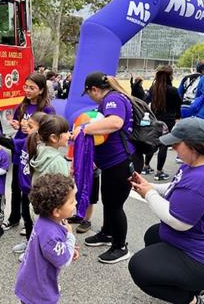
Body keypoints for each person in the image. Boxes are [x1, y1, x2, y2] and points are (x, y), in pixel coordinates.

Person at [129, 117, 204, 304]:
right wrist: (149, 185)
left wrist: (149, 194)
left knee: (138, 267)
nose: (173, 148)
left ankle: (191, 299)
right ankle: (190, 284)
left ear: (194, 145)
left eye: (177, 144)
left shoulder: (200, 180)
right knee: (153, 235)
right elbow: (176, 186)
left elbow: (179, 222)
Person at [76, 72, 143, 264]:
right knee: (108, 199)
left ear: (94, 89)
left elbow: (115, 122)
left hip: (121, 161)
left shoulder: (113, 98)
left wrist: (84, 129)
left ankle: (120, 246)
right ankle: (107, 233)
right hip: (112, 162)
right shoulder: (112, 98)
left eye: (88, 93)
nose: (89, 96)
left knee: (115, 205)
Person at [14, 174, 79, 304]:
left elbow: (52, 250)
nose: (75, 203)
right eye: (72, 201)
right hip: (39, 293)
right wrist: (70, 238)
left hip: (29, 282)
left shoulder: (44, 220)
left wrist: (66, 246)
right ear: (56, 211)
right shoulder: (51, 234)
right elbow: (64, 261)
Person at [3, 73, 55, 232]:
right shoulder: (23, 105)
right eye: (26, 86)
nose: (27, 90)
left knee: (29, 189)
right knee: (15, 187)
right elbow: (19, 123)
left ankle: (29, 222)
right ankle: (13, 218)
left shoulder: (47, 109)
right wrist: (16, 124)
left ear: (41, 90)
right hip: (19, 152)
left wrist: (32, 131)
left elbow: (49, 132)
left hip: (34, 154)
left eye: (32, 88)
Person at [0, 112, 50, 256]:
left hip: (35, 192)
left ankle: (37, 250)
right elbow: (13, 143)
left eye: (30, 125)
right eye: (26, 123)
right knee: (26, 217)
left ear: (42, 130)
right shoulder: (28, 141)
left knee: (37, 221)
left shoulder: (43, 150)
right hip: (25, 190)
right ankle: (29, 242)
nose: (25, 125)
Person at [144, 65, 182, 180]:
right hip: (168, 120)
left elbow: (146, 101)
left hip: (154, 119)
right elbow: (178, 107)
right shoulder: (173, 90)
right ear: (170, 76)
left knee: (152, 143)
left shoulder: (153, 88)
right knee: (163, 146)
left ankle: (145, 166)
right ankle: (159, 172)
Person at [28, 115, 71, 182]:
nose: (69, 135)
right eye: (66, 131)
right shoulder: (59, 162)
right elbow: (66, 190)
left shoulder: (38, 151)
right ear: (53, 138)